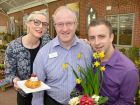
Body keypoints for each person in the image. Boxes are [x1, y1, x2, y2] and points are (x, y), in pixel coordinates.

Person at [32, 6, 92, 105]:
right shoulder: (43, 53)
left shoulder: (87, 49)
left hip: (82, 101)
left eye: (69, 23)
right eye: (60, 24)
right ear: (55, 26)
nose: (65, 29)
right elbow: (37, 90)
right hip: (53, 102)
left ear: (76, 24)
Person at [4, 11, 51, 105]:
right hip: (24, 95)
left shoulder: (47, 41)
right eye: (36, 22)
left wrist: (81, 41)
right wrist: (15, 80)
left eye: (45, 24)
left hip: (45, 94)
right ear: (28, 23)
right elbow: (9, 74)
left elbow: (62, 43)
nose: (41, 26)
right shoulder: (13, 47)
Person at [88, 19, 139, 105]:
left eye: (101, 36)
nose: (96, 42)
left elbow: (125, 102)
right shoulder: (92, 59)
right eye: (92, 38)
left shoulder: (128, 70)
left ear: (111, 37)